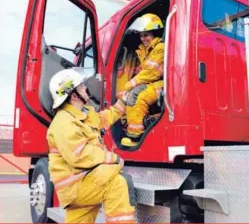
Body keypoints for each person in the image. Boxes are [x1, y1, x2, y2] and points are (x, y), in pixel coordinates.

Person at [47, 68, 135, 223]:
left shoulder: (84, 114)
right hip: (77, 186)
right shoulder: (63, 122)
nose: (85, 88)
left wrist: (122, 103)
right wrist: (113, 159)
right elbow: (79, 154)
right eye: (81, 86)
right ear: (74, 95)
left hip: (82, 182)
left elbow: (104, 118)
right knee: (115, 184)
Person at [121, 13, 164, 147]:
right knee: (130, 94)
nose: (143, 38)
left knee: (136, 94)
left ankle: (135, 137)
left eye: (147, 35)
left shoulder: (159, 48)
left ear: (154, 34)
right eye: (141, 35)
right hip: (154, 82)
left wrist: (130, 84)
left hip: (162, 83)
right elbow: (143, 71)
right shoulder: (145, 50)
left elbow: (151, 73)